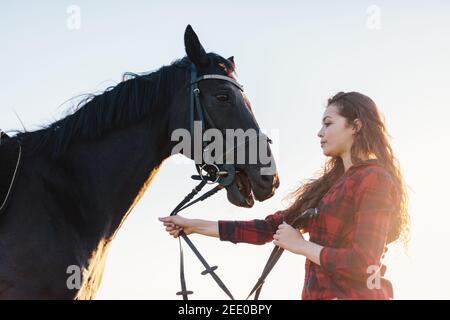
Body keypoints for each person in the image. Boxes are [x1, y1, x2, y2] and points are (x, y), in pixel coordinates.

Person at [159, 91, 409, 300]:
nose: (320, 133)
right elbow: (269, 228)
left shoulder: (374, 179)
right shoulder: (329, 186)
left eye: (328, 123)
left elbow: (364, 262)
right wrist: (193, 226)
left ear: (356, 126)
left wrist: (301, 246)